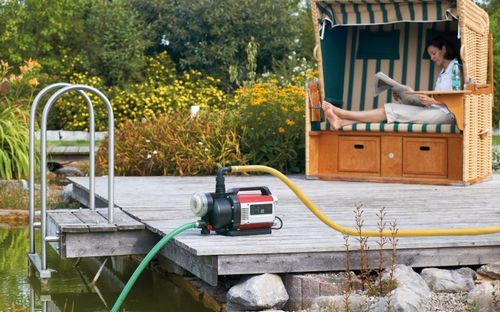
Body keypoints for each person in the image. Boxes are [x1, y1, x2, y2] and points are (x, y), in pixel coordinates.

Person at [322, 37, 458, 129]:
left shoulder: (456, 68)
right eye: (430, 55)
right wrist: (405, 96)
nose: (432, 58)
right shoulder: (442, 72)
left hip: (447, 115)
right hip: (433, 110)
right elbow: (438, 97)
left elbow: (459, 99)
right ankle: (341, 122)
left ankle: (342, 113)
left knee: (391, 110)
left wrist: (432, 101)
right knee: (393, 108)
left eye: (434, 53)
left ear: (444, 49)